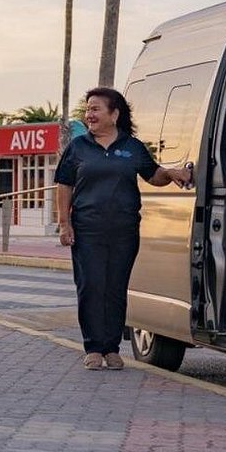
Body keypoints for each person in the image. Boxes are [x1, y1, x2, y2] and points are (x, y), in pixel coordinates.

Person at [55, 87, 192, 371]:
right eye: (88, 109)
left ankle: (112, 348)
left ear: (114, 114)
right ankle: (93, 347)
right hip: (87, 229)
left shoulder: (132, 147)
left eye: (95, 109)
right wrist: (65, 223)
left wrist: (171, 173)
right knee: (91, 287)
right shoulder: (78, 147)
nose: (89, 114)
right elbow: (64, 184)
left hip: (124, 230)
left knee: (115, 288)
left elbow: (153, 176)